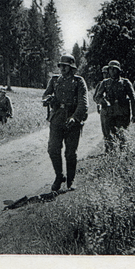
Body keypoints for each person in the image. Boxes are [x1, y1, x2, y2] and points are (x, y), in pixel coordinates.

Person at [42, 54, 89, 191]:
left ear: (71, 67)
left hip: (72, 120)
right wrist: (48, 98)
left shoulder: (78, 81)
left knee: (70, 152)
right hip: (57, 118)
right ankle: (59, 175)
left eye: (65, 66)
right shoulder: (55, 80)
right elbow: (45, 94)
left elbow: (83, 104)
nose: (62, 68)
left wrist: (75, 117)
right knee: (53, 149)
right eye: (61, 65)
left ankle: (71, 179)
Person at [94, 60, 135, 152]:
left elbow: (133, 99)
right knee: (109, 137)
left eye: (115, 69)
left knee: (122, 136)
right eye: (110, 69)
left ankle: (123, 157)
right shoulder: (105, 83)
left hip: (122, 114)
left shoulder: (125, 82)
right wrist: (104, 102)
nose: (112, 71)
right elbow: (97, 97)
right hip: (109, 114)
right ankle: (110, 157)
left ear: (119, 70)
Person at [93, 65, 110, 139]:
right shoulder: (100, 84)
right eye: (104, 73)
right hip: (104, 109)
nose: (105, 75)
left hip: (115, 109)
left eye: (106, 73)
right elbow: (95, 97)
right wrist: (100, 102)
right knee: (105, 130)